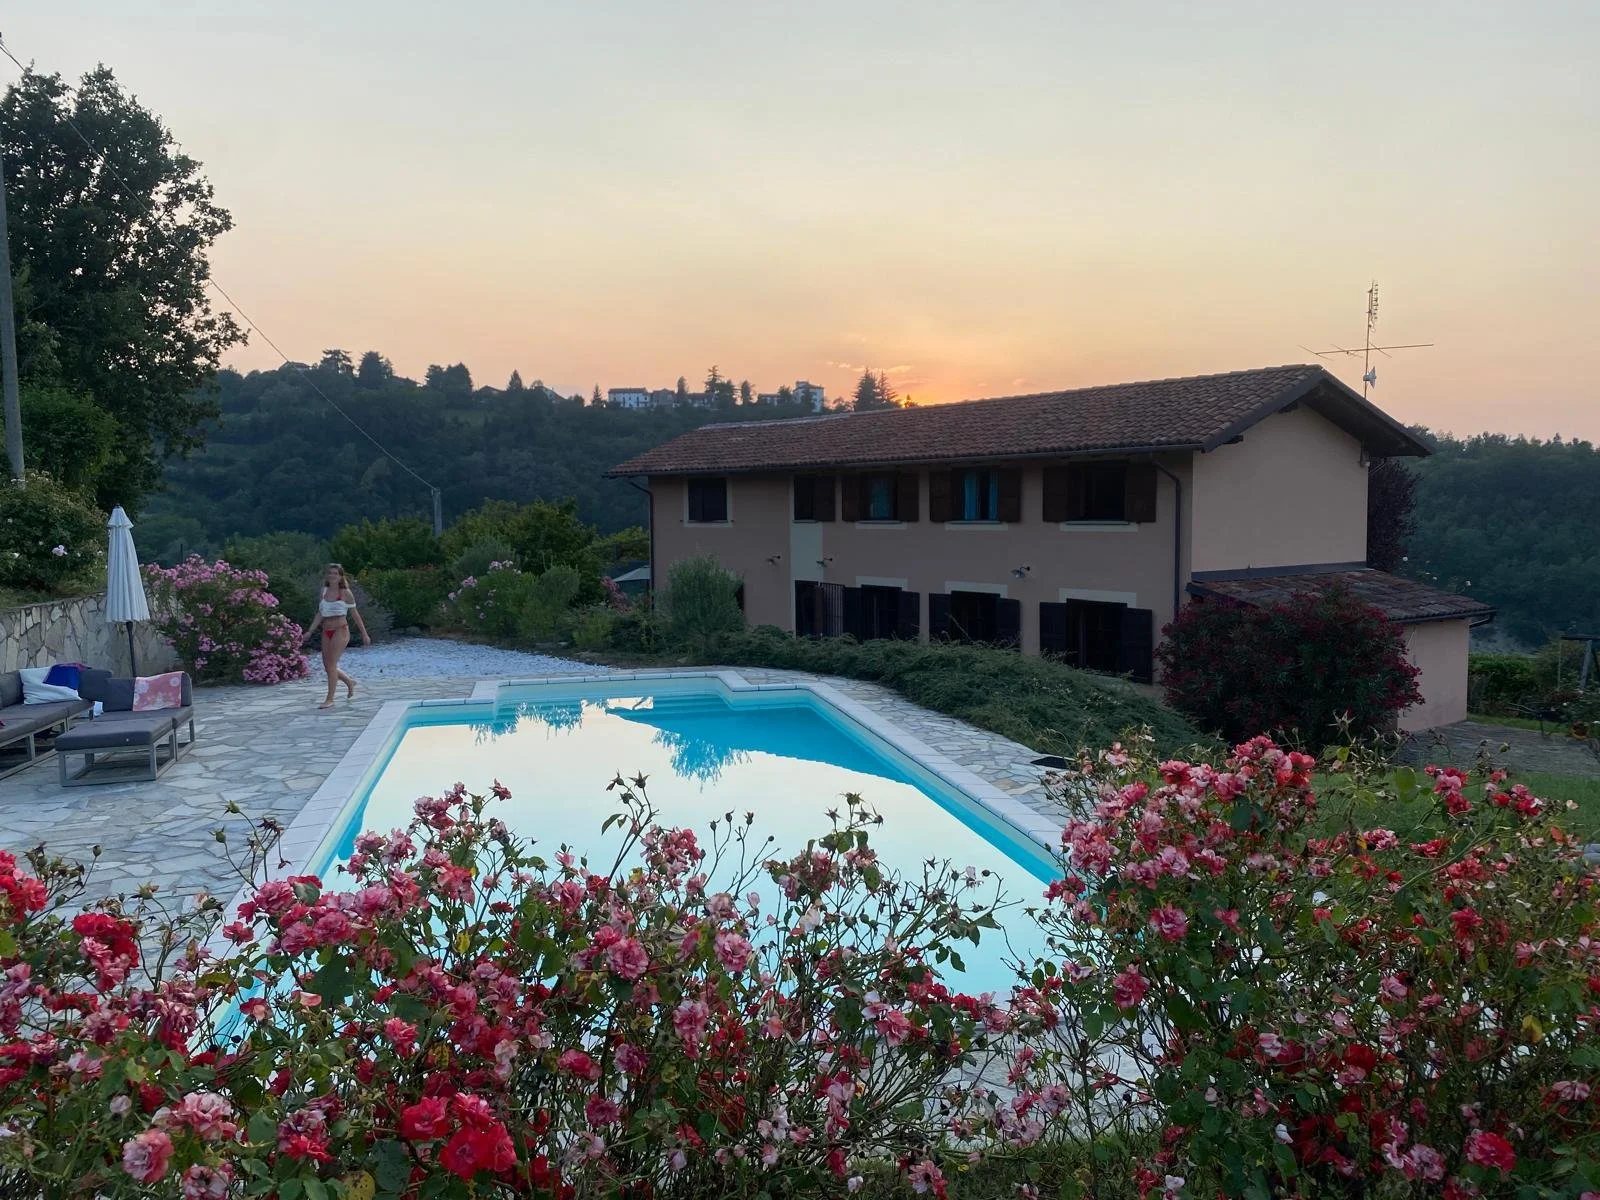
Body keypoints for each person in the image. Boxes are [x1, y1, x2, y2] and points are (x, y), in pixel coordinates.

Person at [304, 563, 370, 709]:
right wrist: (310, 631)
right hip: (326, 629)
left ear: (340, 576)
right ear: (327, 576)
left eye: (335, 573)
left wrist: (364, 633)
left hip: (341, 629)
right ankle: (349, 681)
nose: (332, 575)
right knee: (327, 665)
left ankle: (330, 698)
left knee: (331, 664)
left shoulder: (346, 593)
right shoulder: (324, 591)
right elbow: (320, 613)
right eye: (330, 573)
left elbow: (355, 614)